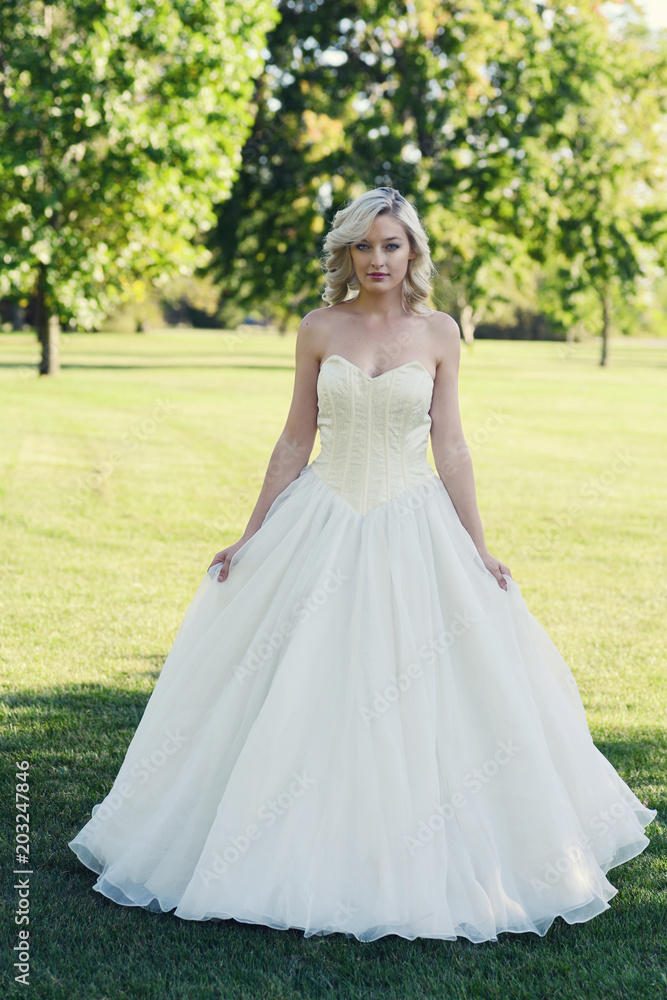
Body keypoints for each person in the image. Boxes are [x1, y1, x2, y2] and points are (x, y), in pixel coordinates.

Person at [69, 186, 656, 943]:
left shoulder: (440, 333)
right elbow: (293, 441)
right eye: (363, 245)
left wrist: (476, 548)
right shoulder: (318, 328)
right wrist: (250, 536)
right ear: (345, 253)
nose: (376, 259)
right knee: (299, 677)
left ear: (412, 253)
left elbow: (450, 447)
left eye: (391, 245)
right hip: (324, 517)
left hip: (416, 525)